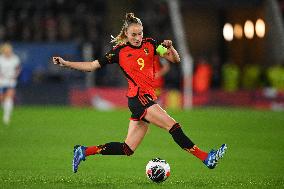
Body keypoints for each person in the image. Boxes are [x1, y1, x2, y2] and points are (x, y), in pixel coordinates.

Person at [52, 13, 227, 173]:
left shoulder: (150, 45)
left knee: (127, 149)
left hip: (146, 98)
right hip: (138, 99)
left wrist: (171, 48)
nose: (137, 37)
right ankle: (206, 158)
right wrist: (66, 63)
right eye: (133, 34)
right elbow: (91, 66)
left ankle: (83, 151)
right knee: (173, 126)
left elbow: (175, 59)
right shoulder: (118, 52)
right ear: (126, 34)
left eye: (140, 33)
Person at [0, 43, 21, 125]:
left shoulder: (15, 58)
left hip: (11, 81)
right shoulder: (0, 59)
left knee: (9, 97)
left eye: (9, 50)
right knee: (1, 99)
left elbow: (18, 68)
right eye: (6, 50)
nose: (8, 52)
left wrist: (15, 76)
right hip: (1, 81)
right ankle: (5, 109)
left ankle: (6, 116)